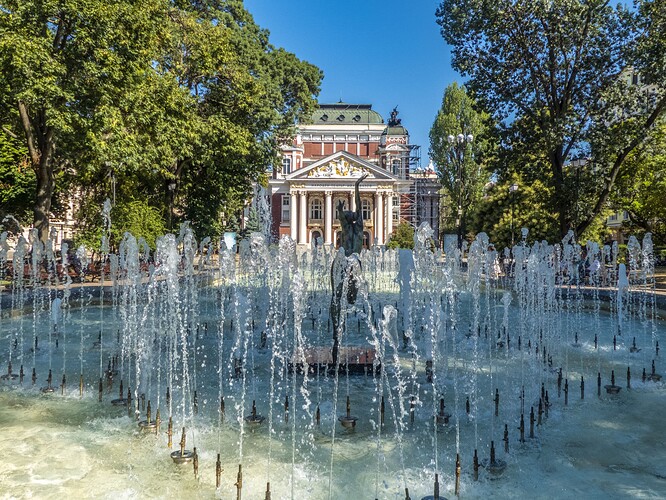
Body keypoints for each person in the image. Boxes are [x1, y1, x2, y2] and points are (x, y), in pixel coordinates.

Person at [337, 173, 368, 256]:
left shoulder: (355, 227)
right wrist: (340, 211)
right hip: (352, 258)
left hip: (353, 258)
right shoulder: (350, 228)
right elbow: (342, 219)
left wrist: (356, 186)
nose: (350, 212)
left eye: (350, 212)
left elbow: (358, 204)